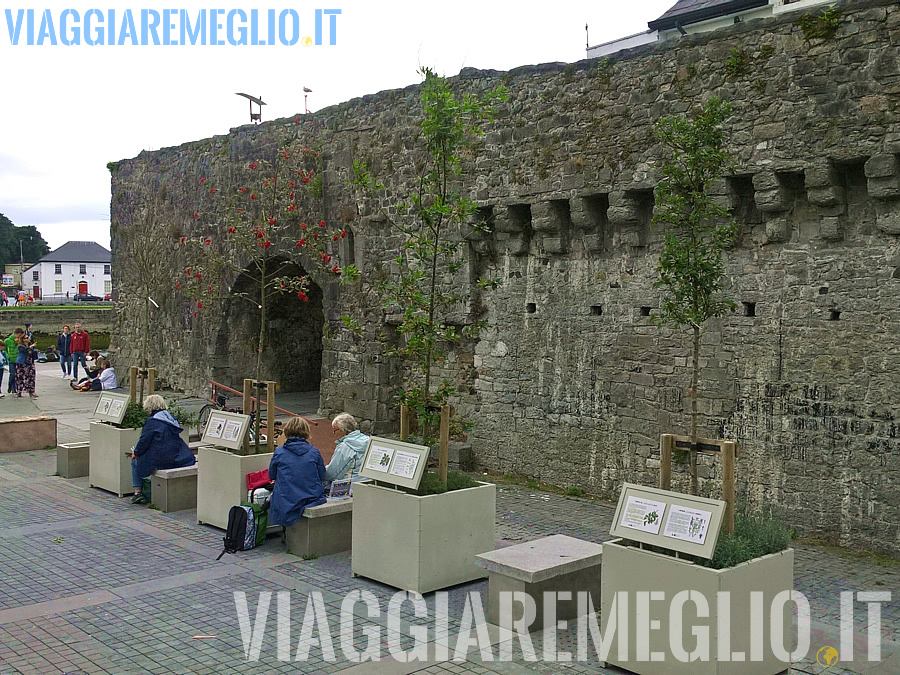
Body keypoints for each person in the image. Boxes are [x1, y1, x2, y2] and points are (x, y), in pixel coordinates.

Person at [128, 394, 196, 504]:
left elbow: (144, 442)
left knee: (135, 461)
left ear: (150, 407)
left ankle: (138, 492)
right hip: (179, 456)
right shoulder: (169, 418)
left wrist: (135, 452)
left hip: (162, 458)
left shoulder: (152, 422)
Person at [267, 417, 327, 528]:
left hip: (286, 498)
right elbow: (322, 475)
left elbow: (271, 475)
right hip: (311, 497)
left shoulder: (279, 452)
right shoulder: (314, 452)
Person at [324, 413, 371, 483]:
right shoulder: (368, 440)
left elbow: (332, 472)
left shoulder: (345, 446)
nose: (333, 433)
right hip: (369, 481)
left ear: (343, 430)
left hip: (352, 485)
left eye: (335, 430)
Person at [14, 332, 38, 398]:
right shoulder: (20, 346)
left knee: (31, 377)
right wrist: (31, 347)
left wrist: (34, 351)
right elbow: (24, 351)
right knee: (20, 377)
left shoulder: (30, 344)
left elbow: (31, 352)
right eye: (27, 338)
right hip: (22, 364)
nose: (28, 339)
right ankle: (19, 391)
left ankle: (32, 391)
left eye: (28, 337)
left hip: (30, 363)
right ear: (23, 339)